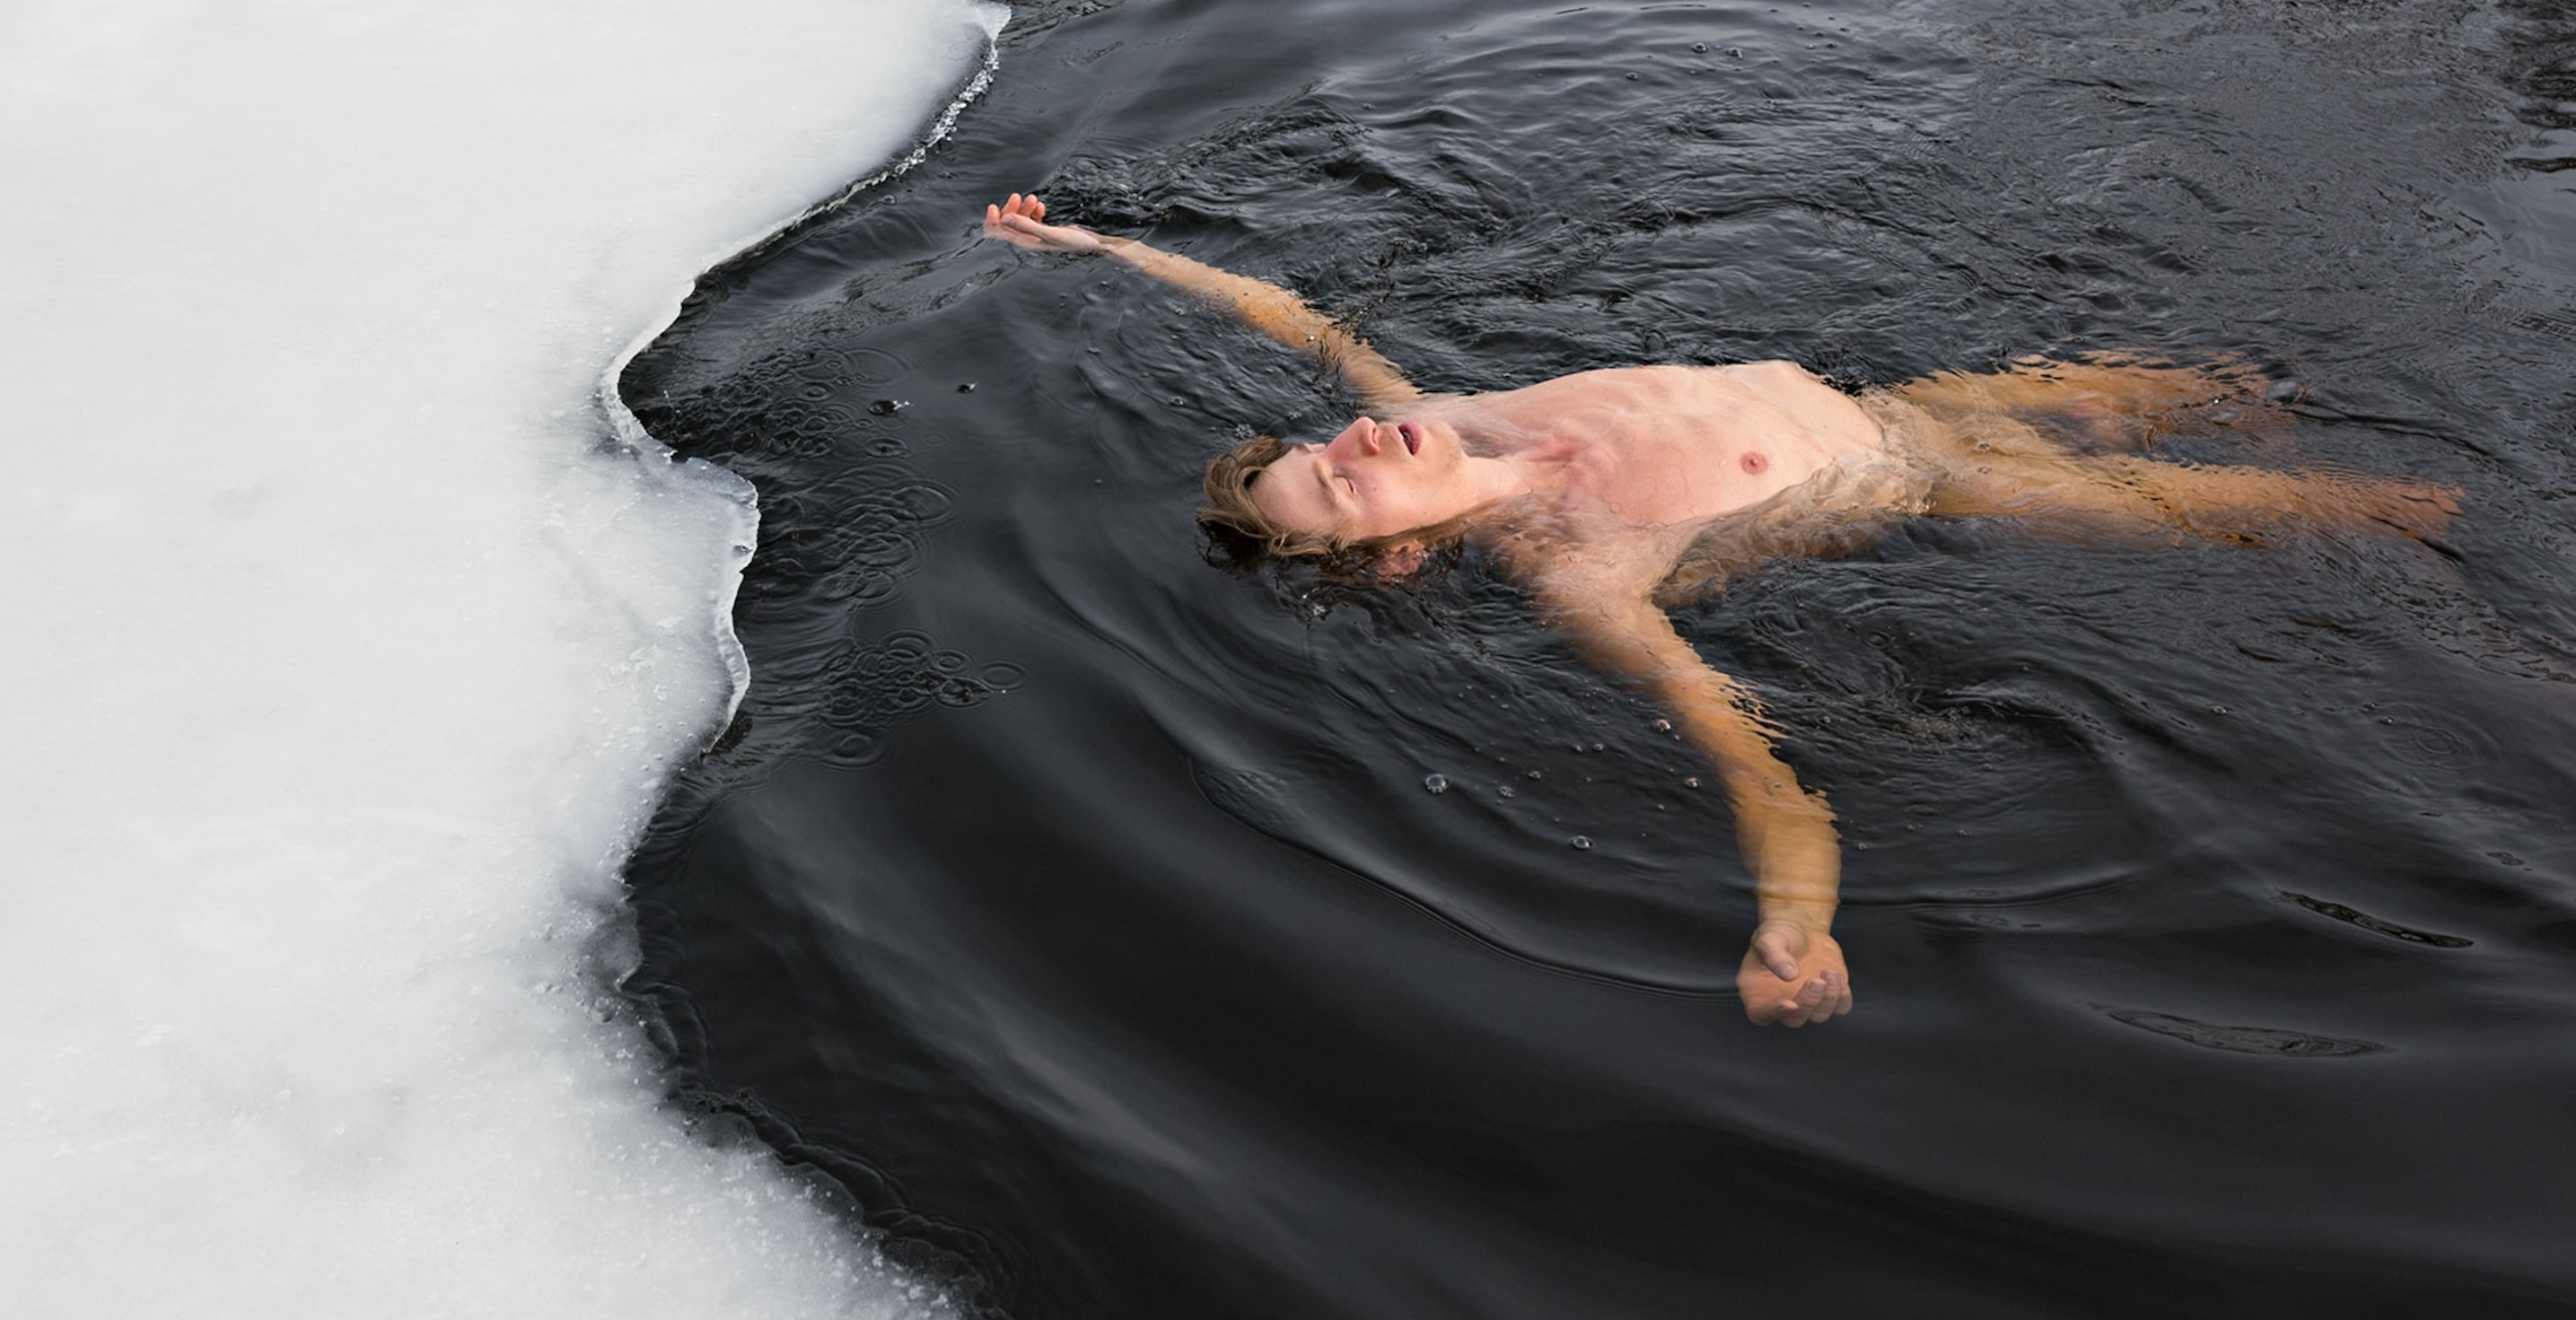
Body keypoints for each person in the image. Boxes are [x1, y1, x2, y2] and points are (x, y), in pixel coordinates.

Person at [981, 193, 2459, 1029]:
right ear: (1398, 563)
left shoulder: (1438, 411)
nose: (1359, 448)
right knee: (2293, 504)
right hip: (1921, 480)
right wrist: (1793, 924)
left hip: (1904, 405)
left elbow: (1289, 313)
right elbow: (1746, 752)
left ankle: (2333, 421)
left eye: (1327, 451)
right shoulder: (1582, 572)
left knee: (2225, 387)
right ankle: (2431, 525)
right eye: (1346, 493)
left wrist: (1099, 248)